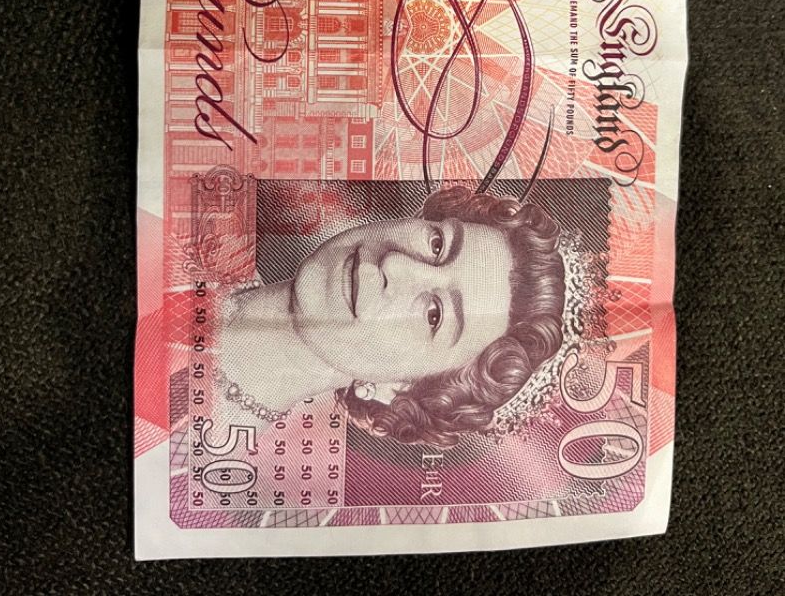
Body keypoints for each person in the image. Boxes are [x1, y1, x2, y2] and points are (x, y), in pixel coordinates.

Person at [218, 185, 566, 448]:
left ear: (398, 389)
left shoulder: (207, 453)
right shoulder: (212, 225)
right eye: (437, 244)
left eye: (434, 314)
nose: (395, 264)